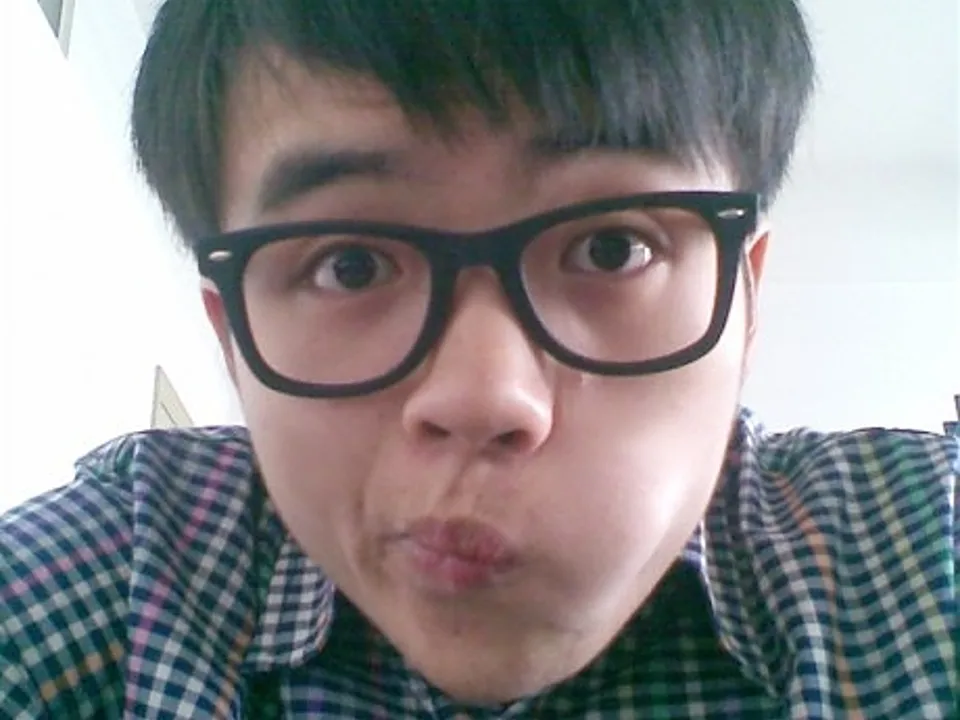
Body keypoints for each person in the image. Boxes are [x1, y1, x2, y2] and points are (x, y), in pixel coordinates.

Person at [1, 0, 956, 717]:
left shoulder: (916, 548)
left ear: (744, 301)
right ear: (231, 338)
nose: (484, 396)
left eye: (611, 248)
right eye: (351, 264)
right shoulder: (129, 576)